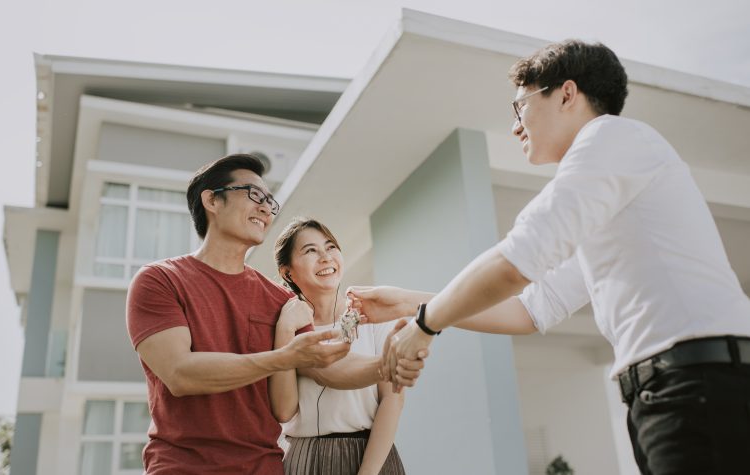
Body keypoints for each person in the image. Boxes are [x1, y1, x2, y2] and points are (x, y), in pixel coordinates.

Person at [348, 40, 750, 474]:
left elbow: (516, 262)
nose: (516, 127)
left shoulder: (610, 139)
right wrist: (410, 303)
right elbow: (531, 309)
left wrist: (425, 327)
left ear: (567, 93)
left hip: (697, 385)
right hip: (669, 392)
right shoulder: (607, 192)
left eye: (520, 107)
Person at [126, 154, 356, 474]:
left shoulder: (279, 299)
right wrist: (282, 357)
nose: (265, 208)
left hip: (264, 467)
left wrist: (412, 336)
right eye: (253, 194)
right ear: (212, 200)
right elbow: (180, 374)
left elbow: (315, 383)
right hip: (182, 467)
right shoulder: (159, 280)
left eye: (269, 201)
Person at [270, 217, 406, 474]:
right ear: (287, 272)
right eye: (311, 250)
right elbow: (284, 410)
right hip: (304, 458)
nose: (325, 257)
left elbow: (392, 399)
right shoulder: (284, 324)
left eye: (330, 246)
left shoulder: (373, 314)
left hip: (370, 455)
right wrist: (285, 330)